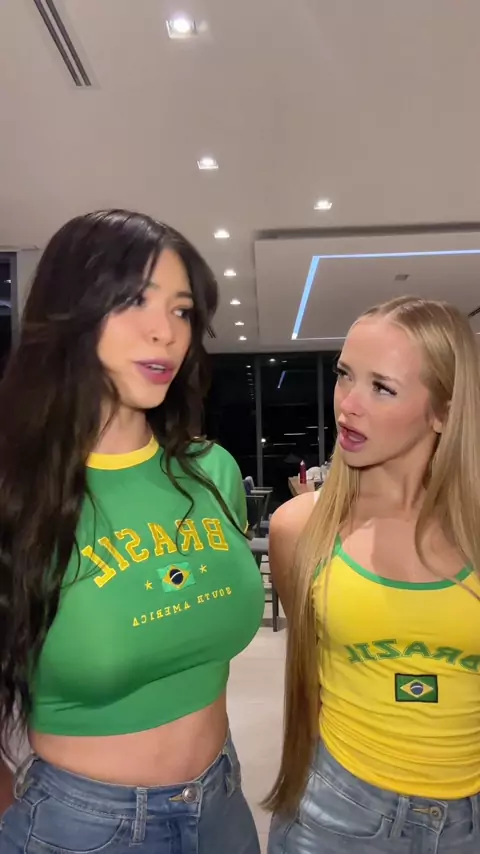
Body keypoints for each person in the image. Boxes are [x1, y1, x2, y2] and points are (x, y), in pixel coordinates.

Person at [0, 210, 264, 853]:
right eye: (134, 301)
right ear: (70, 312)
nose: (166, 332)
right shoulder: (16, 492)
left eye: (181, 310)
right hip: (83, 826)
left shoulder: (211, 471)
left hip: (222, 802)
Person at [266, 296, 480, 854]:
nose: (348, 405)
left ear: (443, 411)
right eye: (344, 376)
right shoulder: (299, 528)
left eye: (382, 387)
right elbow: (310, 675)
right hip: (337, 812)